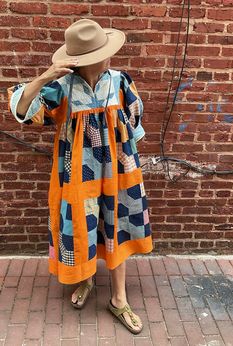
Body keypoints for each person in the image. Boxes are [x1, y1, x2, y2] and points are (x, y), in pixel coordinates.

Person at [8, 18, 153, 334]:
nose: (109, 56)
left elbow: (134, 127)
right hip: (76, 173)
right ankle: (86, 280)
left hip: (118, 170)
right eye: (104, 51)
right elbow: (21, 110)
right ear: (93, 57)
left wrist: (127, 164)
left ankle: (118, 298)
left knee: (118, 227)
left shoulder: (120, 82)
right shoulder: (60, 90)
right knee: (80, 227)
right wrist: (46, 75)